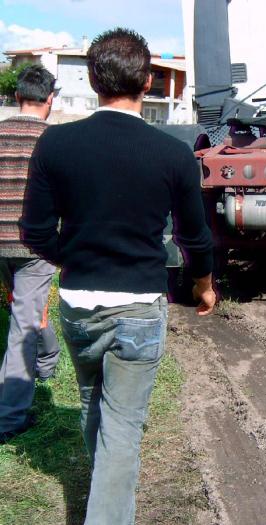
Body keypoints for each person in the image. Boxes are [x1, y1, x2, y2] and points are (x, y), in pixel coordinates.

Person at [20, 28, 216, 524]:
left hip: (80, 302)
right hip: (138, 308)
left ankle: (105, 487)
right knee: (123, 428)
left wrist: (72, 258)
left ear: (92, 79)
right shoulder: (173, 154)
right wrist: (203, 284)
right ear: (147, 81)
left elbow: (34, 230)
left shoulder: (56, 144)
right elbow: (195, 237)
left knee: (93, 403)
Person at [0, 64, 60, 444]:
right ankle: (9, 420)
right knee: (24, 322)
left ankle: (47, 363)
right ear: (49, 99)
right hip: (34, 246)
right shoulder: (54, 141)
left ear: (17, 96)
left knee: (24, 310)